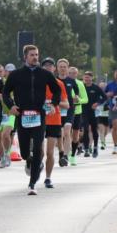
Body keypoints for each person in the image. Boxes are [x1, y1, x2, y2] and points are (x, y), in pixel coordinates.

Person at [1, 45, 61, 195]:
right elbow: (5, 92)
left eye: (37, 55)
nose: (35, 57)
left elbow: (56, 90)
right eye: (32, 55)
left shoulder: (44, 74)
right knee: (24, 151)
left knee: (38, 149)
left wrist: (53, 104)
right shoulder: (16, 74)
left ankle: (32, 183)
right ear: (25, 57)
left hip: (39, 116)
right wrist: (11, 106)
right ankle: (28, 159)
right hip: (22, 116)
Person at [40, 58, 68, 189]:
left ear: (54, 69)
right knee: (39, 152)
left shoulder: (59, 84)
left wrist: (53, 103)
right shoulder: (37, 82)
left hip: (54, 120)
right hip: (38, 120)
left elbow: (66, 105)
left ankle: (48, 178)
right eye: (45, 66)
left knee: (49, 152)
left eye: (50, 66)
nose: (48, 68)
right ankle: (36, 165)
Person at [55, 59, 80, 167]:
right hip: (57, 109)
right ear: (57, 68)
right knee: (59, 135)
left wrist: (76, 97)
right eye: (61, 66)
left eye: (64, 66)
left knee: (67, 132)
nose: (63, 68)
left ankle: (65, 156)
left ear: (67, 68)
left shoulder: (71, 80)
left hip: (69, 109)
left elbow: (76, 91)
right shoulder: (54, 80)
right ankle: (61, 152)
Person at [82, 71, 105, 157]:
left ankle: (95, 147)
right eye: (85, 77)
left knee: (94, 130)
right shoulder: (82, 87)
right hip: (84, 111)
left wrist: (97, 103)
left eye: (88, 77)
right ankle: (87, 149)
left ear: (92, 78)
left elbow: (104, 97)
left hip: (94, 112)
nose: (87, 79)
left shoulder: (96, 87)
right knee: (86, 129)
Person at [0, 63, 16, 167]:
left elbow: (12, 100)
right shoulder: (0, 82)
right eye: (8, 71)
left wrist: (2, 98)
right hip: (0, 113)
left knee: (5, 134)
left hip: (11, 113)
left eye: (12, 71)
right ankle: (2, 158)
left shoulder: (17, 83)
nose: (10, 73)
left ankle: (7, 155)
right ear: (5, 72)